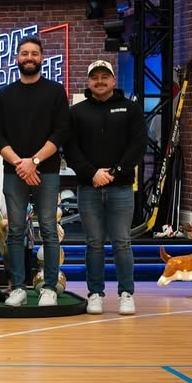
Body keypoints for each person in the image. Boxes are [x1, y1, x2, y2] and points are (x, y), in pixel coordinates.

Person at [0, 35, 70, 308]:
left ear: (41, 58)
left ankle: (49, 287)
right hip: (14, 172)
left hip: (46, 171)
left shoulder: (55, 92)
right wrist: (20, 164)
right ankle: (18, 288)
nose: (29, 58)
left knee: (48, 228)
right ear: (17, 58)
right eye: (24, 53)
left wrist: (33, 162)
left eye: (34, 53)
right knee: (15, 231)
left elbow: (61, 132)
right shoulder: (5, 94)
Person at [64, 59, 146, 315]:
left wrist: (115, 172)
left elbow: (138, 145)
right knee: (94, 244)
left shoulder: (130, 109)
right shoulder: (76, 112)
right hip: (88, 187)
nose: (99, 81)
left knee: (122, 242)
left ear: (113, 80)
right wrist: (92, 173)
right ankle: (95, 294)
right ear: (89, 82)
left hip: (121, 188)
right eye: (95, 77)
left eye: (104, 77)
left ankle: (126, 294)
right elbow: (71, 149)